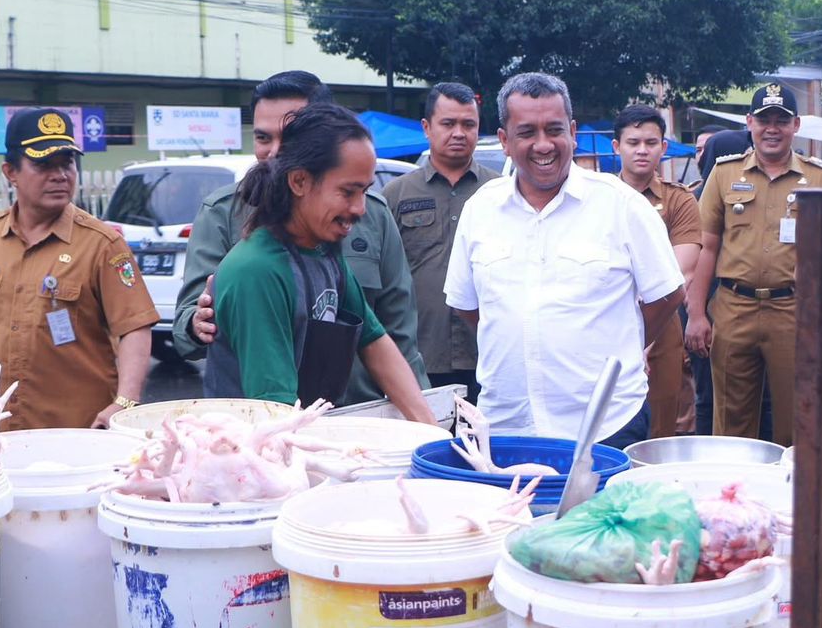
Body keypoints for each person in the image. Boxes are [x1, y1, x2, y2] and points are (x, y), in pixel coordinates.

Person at [444, 72, 685, 447]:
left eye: (554, 130)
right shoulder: (480, 210)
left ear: (572, 131)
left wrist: (618, 350)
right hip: (507, 425)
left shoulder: (622, 206)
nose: (543, 145)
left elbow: (668, 295)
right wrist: (526, 334)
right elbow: (468, 306)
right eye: (527, 133)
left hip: (607, 424)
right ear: (505, 141)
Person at [173, 70, 428, 404]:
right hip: (282, 435)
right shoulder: (249, 253)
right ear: (299, 181)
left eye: (290, 138)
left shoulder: (327, 244)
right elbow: (274, 409)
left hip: (351, 415)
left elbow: (386, 338)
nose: (277, 152)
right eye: (264, 138)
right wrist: (199, 322)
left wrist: (427, 430)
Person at [0, 109, 158, 430]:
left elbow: (134, 327)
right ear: (10, 172)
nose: (60, 175)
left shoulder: (101, 243)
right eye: (43, 165)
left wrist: (123, 404)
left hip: (80, 432)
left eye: (67, 163)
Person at [685, 83, 822, 445]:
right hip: (734, 307)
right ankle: (733, 497)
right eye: (765, 120)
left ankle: (791, 498)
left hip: (794, 310)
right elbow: (706, 246)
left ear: (796, 125)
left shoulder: (821, 179)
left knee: (795, 415)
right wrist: (695, 314)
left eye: (781, 121)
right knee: (731, 420)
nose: (773, 128)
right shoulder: (724, 174)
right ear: (749, 122)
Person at [383, 82, 499, 399]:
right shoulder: (395, 195)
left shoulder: (500, 193)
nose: (459, 133)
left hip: (486, 354)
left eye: (468, 124)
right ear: (427, 128)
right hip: (419, 354)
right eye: (448, 124)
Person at [612, 104, 702, 439]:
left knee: (659, 431)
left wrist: (643, 336)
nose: (642, 150)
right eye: (633, 142)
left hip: (661, 326)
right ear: (616, 146)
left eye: (651, 143)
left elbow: (681, 275)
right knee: (605, 428)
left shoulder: (679, 201)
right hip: (602, 327)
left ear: (663, 148)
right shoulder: (597, 200)